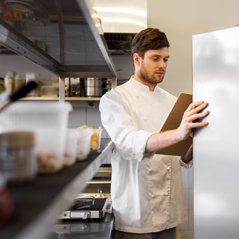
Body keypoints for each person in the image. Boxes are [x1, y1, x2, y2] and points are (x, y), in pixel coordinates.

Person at [99, 28, 209, 239]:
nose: (162, 65)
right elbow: (128, 142)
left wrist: (194, 142)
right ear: (137, 59)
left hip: (169, 215)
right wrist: (178, 133)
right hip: (135, 218)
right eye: (155, 58)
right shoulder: (115, 99)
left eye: (165, 59)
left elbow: (180, 158)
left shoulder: (172, 100)